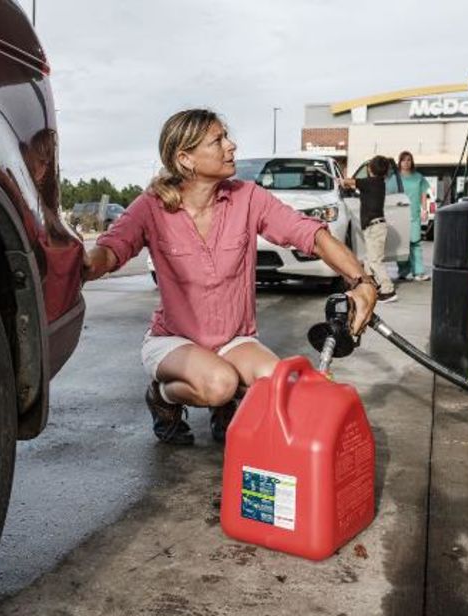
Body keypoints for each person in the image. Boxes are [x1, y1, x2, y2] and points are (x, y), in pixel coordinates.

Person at [82, 109, 379, 446]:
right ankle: (164, 397)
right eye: (218, 140)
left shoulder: (247, 197)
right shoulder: (151, 206)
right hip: (174, 340)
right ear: (186, 158)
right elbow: (110, 251)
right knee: (219, 384)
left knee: (280, 385)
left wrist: (362, 282)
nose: (231, 145)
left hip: (233, 340)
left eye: (227, 136)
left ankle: (227, 405)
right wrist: (82, 264)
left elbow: (311, 234)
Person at [341, 156, 398, 303]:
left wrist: (342, 181)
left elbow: (350, 182)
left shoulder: (370, 182)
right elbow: (356, 186)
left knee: (375, 261)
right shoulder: (378, 184)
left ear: (369, 169)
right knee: (369, 260)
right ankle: (370, 287)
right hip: (374, 227)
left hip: (374, 228)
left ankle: (388, 290)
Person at [394, 151, 431, 281]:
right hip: (398, 214)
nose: (406, 162)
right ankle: (403, 271)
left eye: (409, 160)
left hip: (414, 214)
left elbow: (423, 194)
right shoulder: (395, 177)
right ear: (399, 162)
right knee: (402, 244)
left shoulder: (418, 177)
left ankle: (418, 272)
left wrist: (424, 210)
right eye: (403, 160)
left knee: (415, 242)